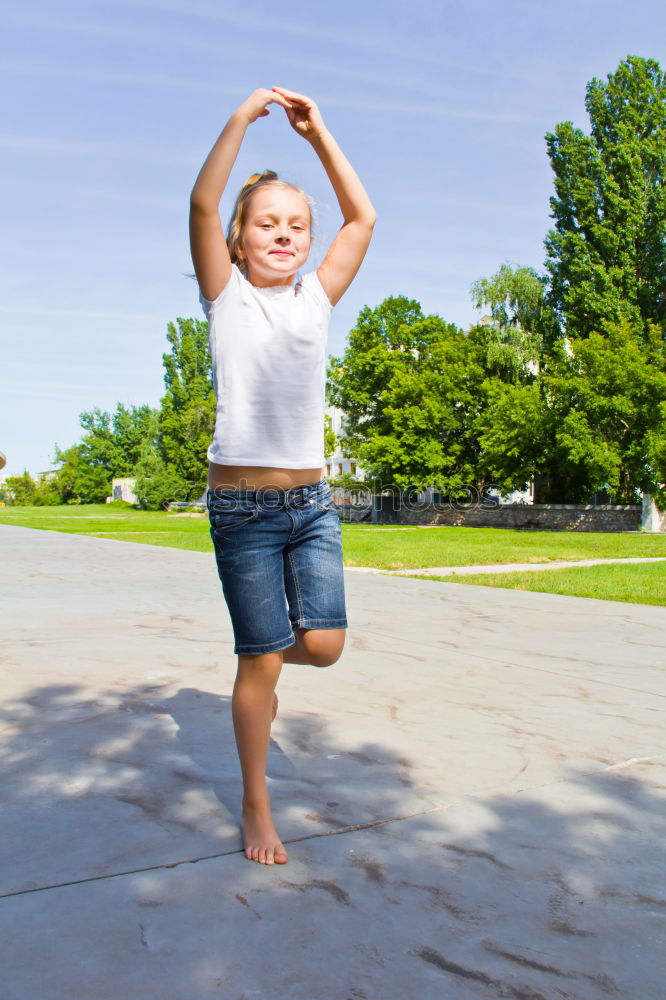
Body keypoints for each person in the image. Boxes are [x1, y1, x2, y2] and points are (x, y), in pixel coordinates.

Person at [189, 87, 375, 865]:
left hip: (312, 505)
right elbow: (202, 202)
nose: (285, 234)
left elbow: (361, 220)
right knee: (261, 660)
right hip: (241, 511)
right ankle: (256, 804)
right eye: (267, 222)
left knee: (324, 645)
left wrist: (319, 134)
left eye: (297, 225)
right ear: (237, 240)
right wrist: (240, 121)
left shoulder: (316, 300)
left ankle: (258, 658)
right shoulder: (224, 296)